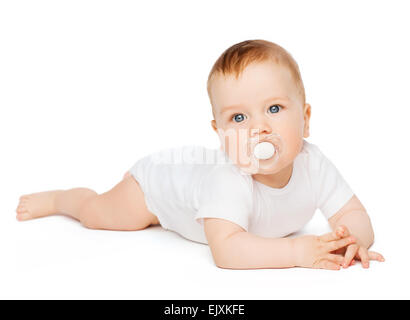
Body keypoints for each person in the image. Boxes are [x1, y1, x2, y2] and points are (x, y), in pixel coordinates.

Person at [15, 39, 384, 270]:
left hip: (191, 190)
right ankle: (65, 199)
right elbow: (228, 251)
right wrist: (298, 253)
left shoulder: (312, 162)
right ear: (221, 134)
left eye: (274, 108)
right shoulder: (230, 179)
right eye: (238, 117)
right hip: (155, 187)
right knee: (100, 216)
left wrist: (350, 241)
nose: (258, 128)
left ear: (304, 119)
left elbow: (353, 212)